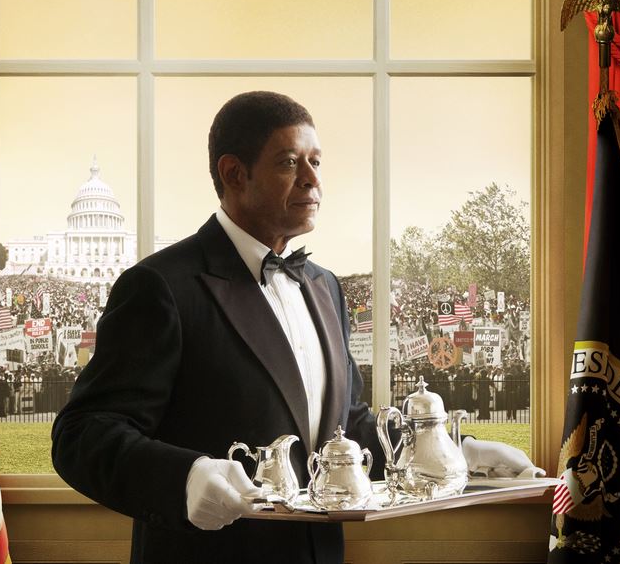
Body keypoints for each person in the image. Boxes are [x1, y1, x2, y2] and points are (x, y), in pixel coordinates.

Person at [51, 91, 538, 564]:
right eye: (289, 162)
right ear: (234, 173)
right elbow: (82, 434)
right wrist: (185, 477)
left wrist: (458, 450)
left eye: (316, 162)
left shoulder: (325, 287)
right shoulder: (160, 286)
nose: (313, 180)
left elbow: (349, 427)